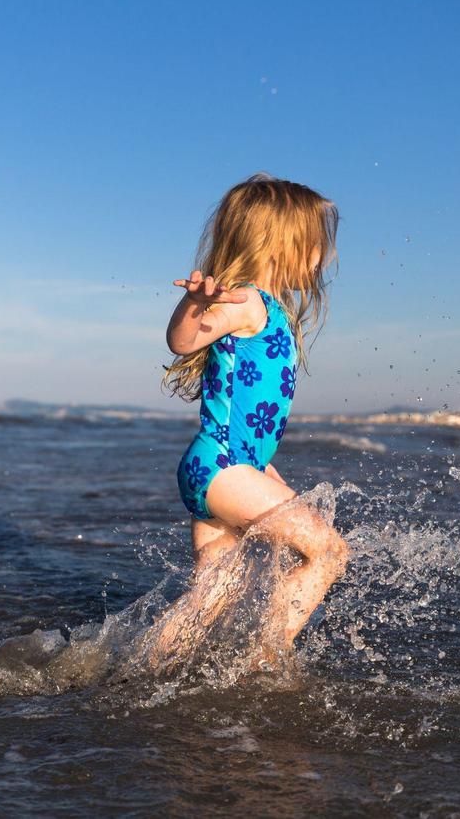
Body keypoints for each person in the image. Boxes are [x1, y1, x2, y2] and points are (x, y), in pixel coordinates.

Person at [150, 173, 349, 670]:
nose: (322, 257)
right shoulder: (248, 302)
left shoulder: (265, 305)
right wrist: (196, 303)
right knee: (328, 551)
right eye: (316, 244)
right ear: (282, 242)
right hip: (223, 468)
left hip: (231, 467)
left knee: (209, 599)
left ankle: (134, 676)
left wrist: (264, 474)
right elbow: (182, 341)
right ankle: (263, 661)